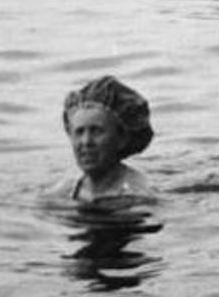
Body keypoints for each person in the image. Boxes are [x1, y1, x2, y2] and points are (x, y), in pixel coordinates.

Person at [54, 75, 156, 204]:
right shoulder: (68, 189)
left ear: (121, 138)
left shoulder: (136, 194)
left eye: (96, 131)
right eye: (79, 132)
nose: (86, 142)